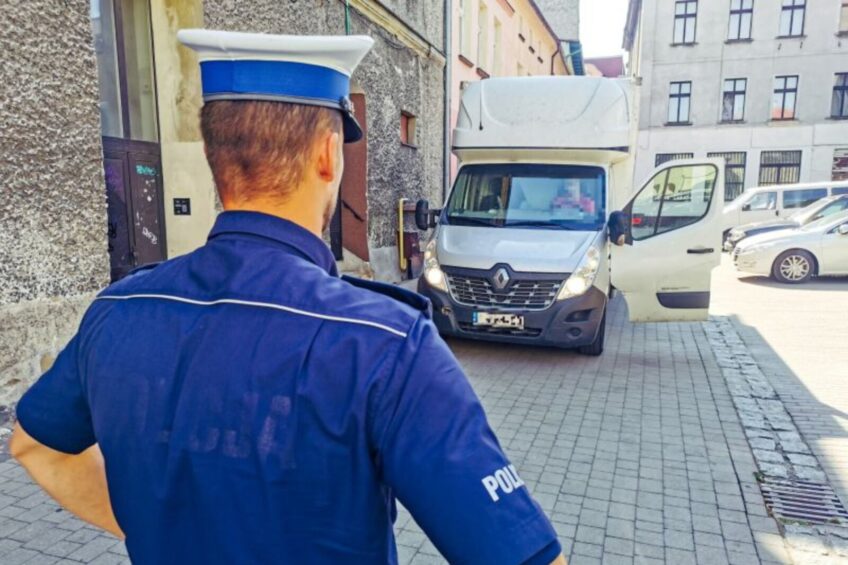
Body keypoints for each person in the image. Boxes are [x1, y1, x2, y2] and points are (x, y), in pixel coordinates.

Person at [11, 30, 566, 565]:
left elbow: (34, 446)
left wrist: (155, 527)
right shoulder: (387, 344)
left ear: (213, 153)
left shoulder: (118, 312)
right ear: (329, 154)